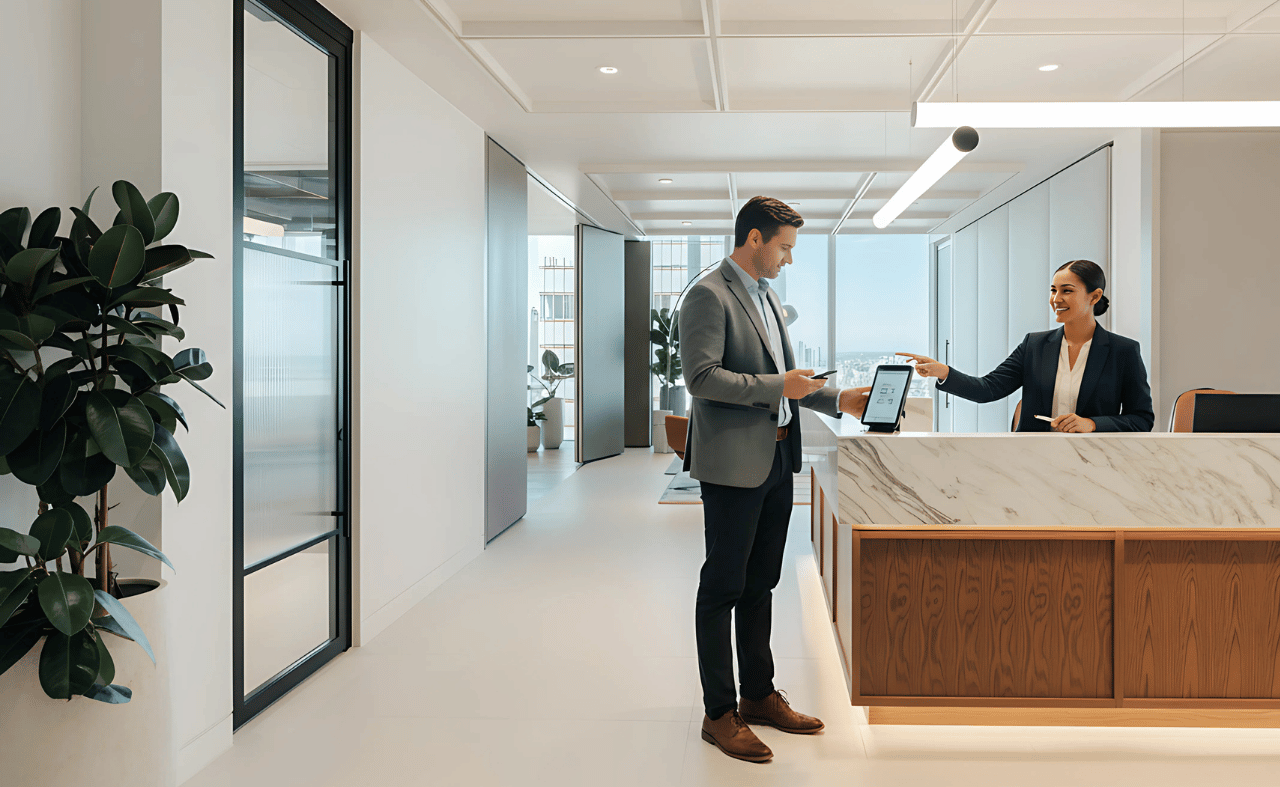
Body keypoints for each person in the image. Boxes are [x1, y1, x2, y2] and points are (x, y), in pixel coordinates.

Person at [679, 196, 870, 763]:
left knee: (761, 582)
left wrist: (841, 399)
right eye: (784, 247)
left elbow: (787, 381)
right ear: (755, 240)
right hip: (733, 467)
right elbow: (702, 377)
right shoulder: (707, 295)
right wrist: (776, 387)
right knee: (723, 587)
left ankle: (758, 695)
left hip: (778, 461)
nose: (789, 259)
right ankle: (719, 713)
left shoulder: (767, 297)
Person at [900, 259, 1154, 433]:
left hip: (1091, 462)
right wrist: (943, 372)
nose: (1056, 299)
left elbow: (1142, 419)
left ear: (1094, 296)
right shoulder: (1035, 345)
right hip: (1032, 460)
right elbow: (988, 389)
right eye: (1053, 290)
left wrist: (1092, 424)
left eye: (1067, 291)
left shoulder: (1124, 351)